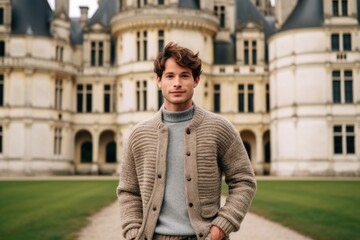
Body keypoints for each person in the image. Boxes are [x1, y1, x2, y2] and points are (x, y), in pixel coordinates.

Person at [117, 42, 256, 240]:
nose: (177, 83)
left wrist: (220, 229)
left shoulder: (219, 128)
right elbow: (128, 191)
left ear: (196, 80)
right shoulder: (139, 134)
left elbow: (244, 181)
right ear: (158, 80)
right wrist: (132, 233)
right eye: (170, 76)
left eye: (184, 76)